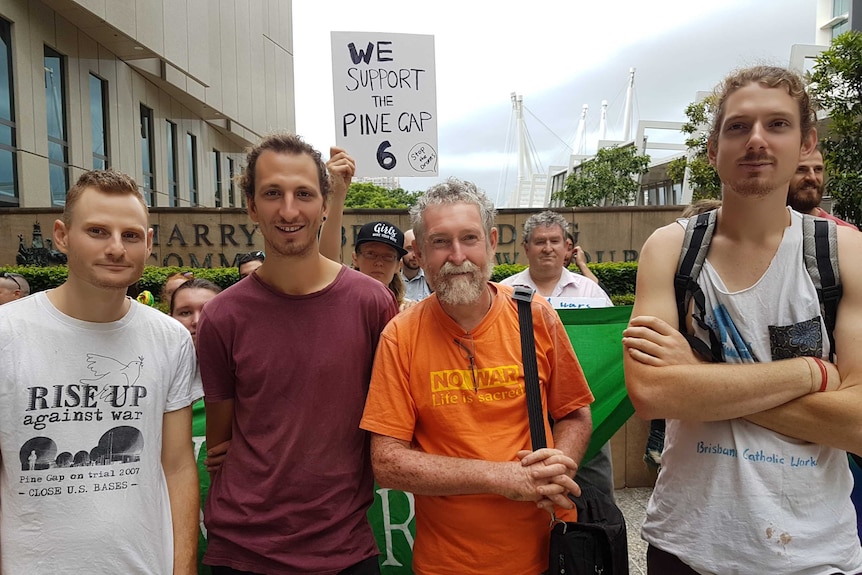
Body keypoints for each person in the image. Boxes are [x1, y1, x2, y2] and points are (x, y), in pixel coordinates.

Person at [623, 66, 862, 573]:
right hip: (687, 545)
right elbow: (652, 394)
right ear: (712, 149)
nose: (756, 140)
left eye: (777, 124)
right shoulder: (671, 248)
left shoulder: (844, 253)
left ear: (805, 144)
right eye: (737, 127)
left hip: (813, 555)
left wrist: (699, 378)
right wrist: (812, 374)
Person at [360, 178, 595, 574]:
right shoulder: (401, 335)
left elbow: (574, 413)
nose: (457, 256)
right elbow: (388, 463)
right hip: (445, 564)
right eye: (439, 242)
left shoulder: (535, 316)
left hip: (546, 554)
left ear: (491, 240)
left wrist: (560, 465)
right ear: (417, 251)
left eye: (469, 238)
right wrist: (501, 477)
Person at [196, 133, 397, 575]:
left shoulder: (372, 304)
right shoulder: (221, 317)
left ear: (326, 203)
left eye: (304, 193)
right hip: (243, 552)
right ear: (251, 205)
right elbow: (221, 445)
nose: (289, 210)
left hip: (344, 547)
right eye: (272, 193)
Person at [0, 169, 200, 574]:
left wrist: (184, 568)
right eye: (97, 231)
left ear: (147, 243)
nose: (115, 248)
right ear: (62, 236)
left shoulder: (170, 339)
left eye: (130, 235)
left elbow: (178, 467)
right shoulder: (7, 332)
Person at [500, 210, 615, 497]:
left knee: (595, 489)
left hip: (586, 406)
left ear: (567, 247)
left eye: (555, 241)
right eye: (539, 242)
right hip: (522, 411)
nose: (548, 248)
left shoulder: (591, 294)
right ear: (526, 248)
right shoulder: (504, 292)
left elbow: (610, 343)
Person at [169, 278, 225, 575]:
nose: (197, 321)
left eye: (208, 310)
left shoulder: (251, 389)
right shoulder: (156, 390)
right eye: (184, 312)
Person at [787, 147, 859, 230]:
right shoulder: (770, 232)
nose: (812, 177)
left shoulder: (846, 235)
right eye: (801, 169)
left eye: (818, 169)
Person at [353, 221, 412, 311]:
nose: (379, 262)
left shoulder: (407, 311)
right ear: (355, 259)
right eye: (370, 254)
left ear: (398, 265)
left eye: (388, 256)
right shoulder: (341, 303)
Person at [400, 228, 432, 301]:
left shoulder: (432, 279)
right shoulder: (392, 278)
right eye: (410, 248)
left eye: (419, 249)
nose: (415, 255)